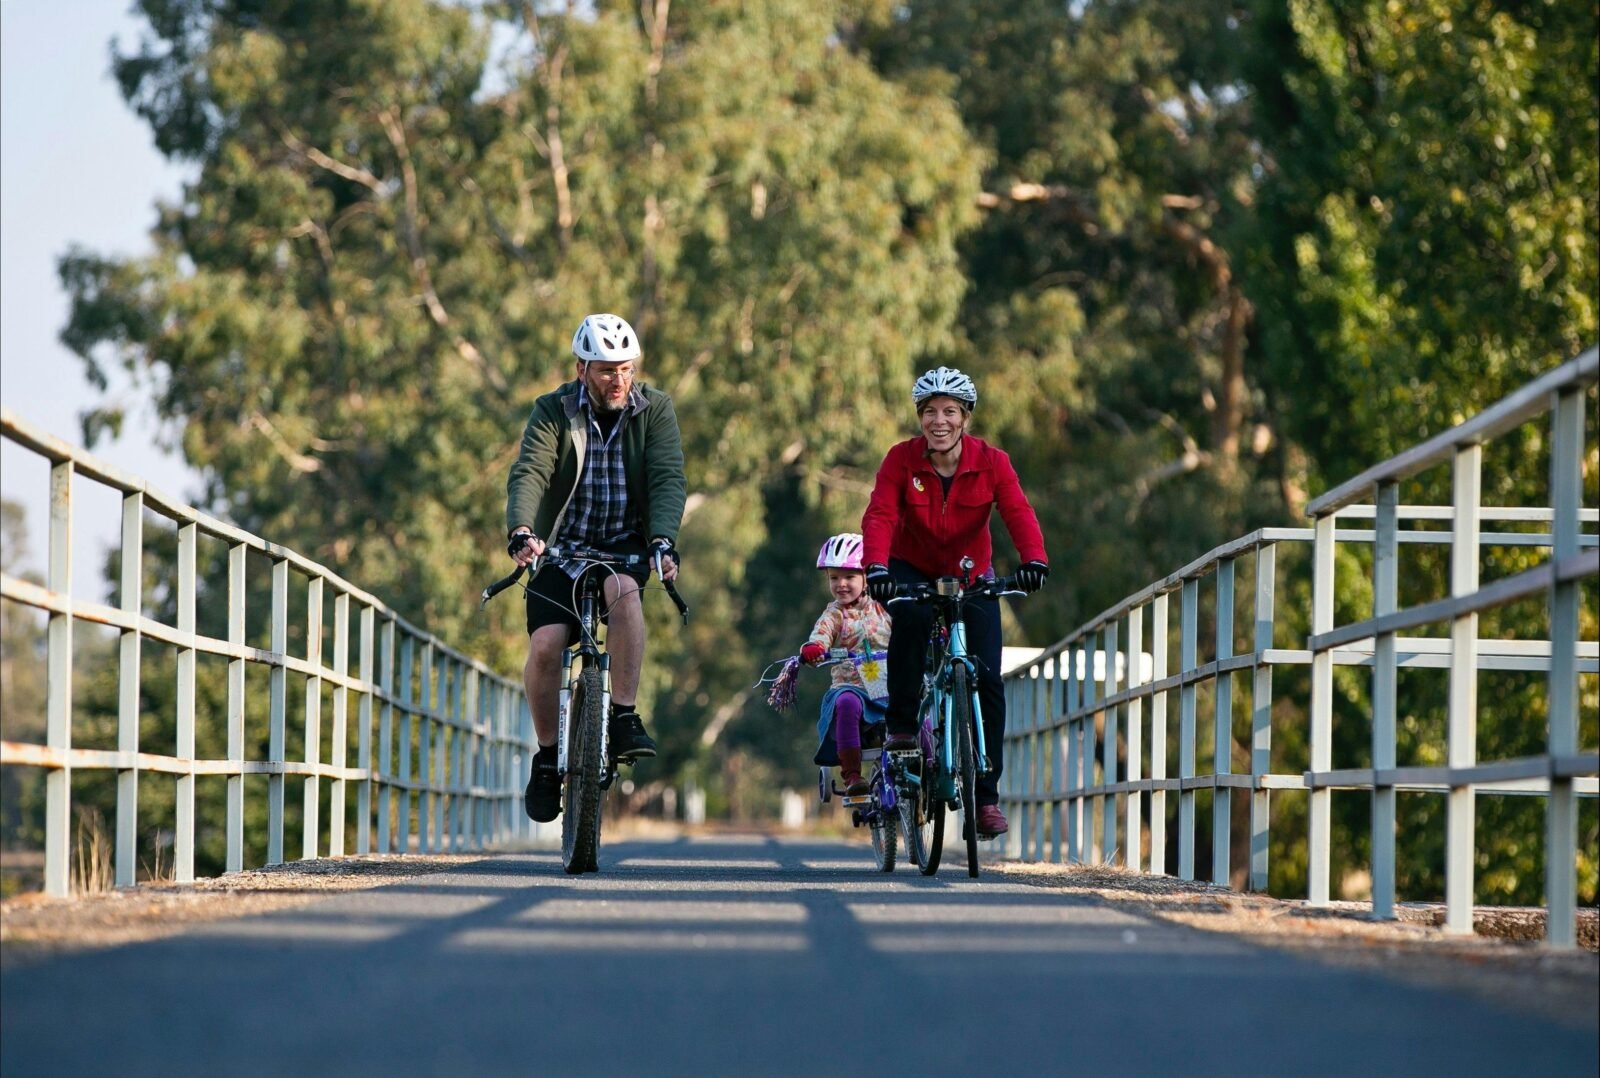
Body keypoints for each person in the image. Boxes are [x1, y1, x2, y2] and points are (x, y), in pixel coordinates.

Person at [505, 312, 686, 823]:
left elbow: (667, 478)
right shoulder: (554, 410)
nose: (618, 380)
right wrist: (522, 529)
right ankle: (547, 758)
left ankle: (623, 715)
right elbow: (531, 471)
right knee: (546, 646)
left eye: (626, 369)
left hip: (623, 547)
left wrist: (662, 540)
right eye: (607, 370)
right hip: (560, 548)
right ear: (581, 369)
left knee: (625, 595)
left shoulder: (655, 410)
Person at [860, 366, 1049, 839]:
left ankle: (986, 800)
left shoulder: (992, 462)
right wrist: (876, 567)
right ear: (919, 417)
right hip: (910, 567)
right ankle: (903, 727)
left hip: (971, 573)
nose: (938, 421)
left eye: (949, 411)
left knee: (988, 677)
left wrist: (1034, 560)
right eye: (929, 412)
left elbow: (1017, 510)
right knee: (911, 619)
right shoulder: (901, 459)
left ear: (966, 417)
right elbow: (880, 513)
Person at [798, 533, 894, 797]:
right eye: (834, 578)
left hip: (892, 687)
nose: (841, 584)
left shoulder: (884, 607)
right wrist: (815, 648)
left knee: (921, 703)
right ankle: (852, 775)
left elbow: (910, 628)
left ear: (866, 577)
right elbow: (822, 633)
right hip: (852, 687)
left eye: (849, 576)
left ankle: (929, 768)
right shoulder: (834, 613)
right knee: (846, 703)